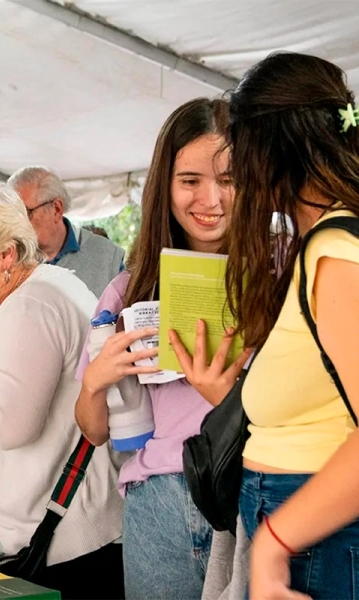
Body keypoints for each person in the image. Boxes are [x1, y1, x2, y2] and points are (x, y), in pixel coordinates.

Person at [74, 98, 246, 598]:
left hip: (245, 490)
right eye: (190, 180)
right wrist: (95, 381)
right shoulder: (128, 292)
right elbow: (94, 430)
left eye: (229, 179)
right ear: (164, 186)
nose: (210, 199)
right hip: (157, 504)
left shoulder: (277, 283)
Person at [0, 183, 125, 599]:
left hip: (62, 544)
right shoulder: (56, 287)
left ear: (6, 253)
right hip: (78, 531)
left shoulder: (28, 307)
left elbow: (9, 426)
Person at [211, 53, 359, 599]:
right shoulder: (320, 243)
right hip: (312, 534)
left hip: (321, 541)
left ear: (270, 148)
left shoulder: (335, 249)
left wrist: (275, 543)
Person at [9, 166, 126, 297]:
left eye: (26, 213)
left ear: (57, 209)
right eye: (12, 216)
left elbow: (127, 312)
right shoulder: (7, 259)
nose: (16, 224)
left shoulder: (107, 257)